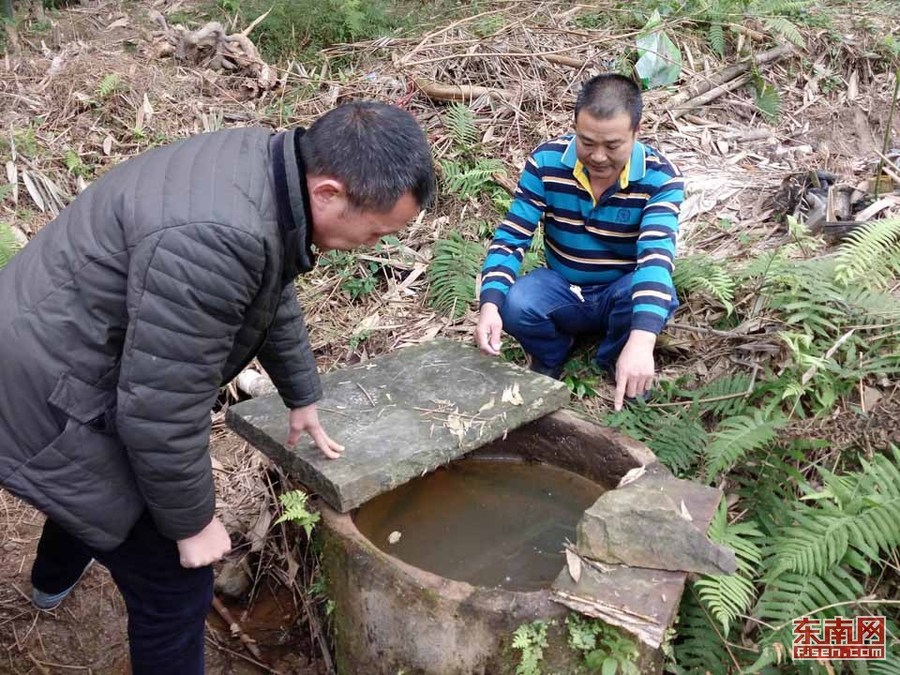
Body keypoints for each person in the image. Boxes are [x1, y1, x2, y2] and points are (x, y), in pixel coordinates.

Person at [0, 101, 435, 674]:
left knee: (91, 491)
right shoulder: (216, 237)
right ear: (330, 191)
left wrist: (301, 393)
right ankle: (60, 585)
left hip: (55, 349)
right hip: (43, 391)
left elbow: (270, 284)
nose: (375, 244)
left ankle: (50, 586)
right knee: (175, 588)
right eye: (377, 231)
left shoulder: (267, 170)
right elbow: (159, 410)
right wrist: (192, 525)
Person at [474, 74, 683, 410]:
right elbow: (513, 236)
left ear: (636, 132)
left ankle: (618, 359)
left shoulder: (661, 178)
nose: (598, 156)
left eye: (613, 146)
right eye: (587, 142)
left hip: (620, 291)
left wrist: (643, 341)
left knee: (657, 296)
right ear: (574, 126)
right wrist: (489, 305)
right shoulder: (546, 163)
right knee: (514, 302)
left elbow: (656, 259)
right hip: (563, 288)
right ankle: (552, 353)